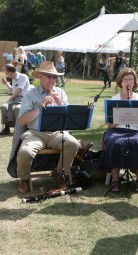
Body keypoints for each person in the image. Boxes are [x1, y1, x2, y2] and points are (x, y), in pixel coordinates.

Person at [16, 61, 80, 194]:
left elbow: (69, 119)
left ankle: (59, 173)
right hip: (35, 133)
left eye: (54, 77)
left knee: (73, 143)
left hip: (56, 132)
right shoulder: (30, 94)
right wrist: (39, 107)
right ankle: (24, 179)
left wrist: (60, 103)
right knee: (25, 152)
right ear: (40, 76)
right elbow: (22, 121)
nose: (52, 80)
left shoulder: (61, 92)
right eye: (48, 76)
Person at [102, 67, 138, 193]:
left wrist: (136, 113)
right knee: (115, 143)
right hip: (117, 130)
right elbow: (109, 125)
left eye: (131, 79)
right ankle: (115, 180)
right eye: (126, 79)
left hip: (137, 131)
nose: (128, 82)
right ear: (121, 82)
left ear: (134, 83)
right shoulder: (115, 99)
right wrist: (119, 119)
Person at [0, 64, 30, 135]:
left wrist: (9, 100)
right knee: (4, 107)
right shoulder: (13, 79)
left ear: (10, 72)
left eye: (5, 72)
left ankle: (20, 129)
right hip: (15, 98)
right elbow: (13, 91)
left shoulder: (23, 77)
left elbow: (18, 91)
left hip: (23, 99)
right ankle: (6, 128)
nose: (5, 73)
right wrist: (6, 84)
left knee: (17, 108)